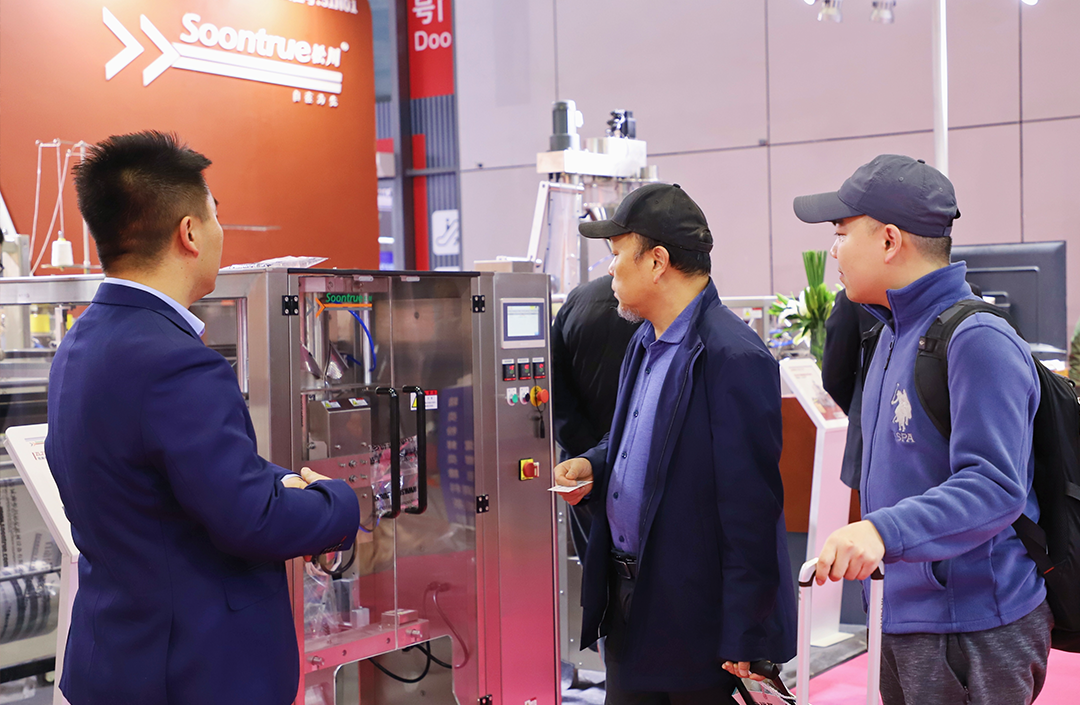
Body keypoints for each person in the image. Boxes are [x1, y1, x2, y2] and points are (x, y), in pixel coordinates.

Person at [45, 132, 360, 705]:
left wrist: (279, 482)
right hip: (193, 672)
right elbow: (252, 521)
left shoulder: (83, 341)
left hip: (117, 657)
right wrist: (336, 503)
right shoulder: (175, 361)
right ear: (189, 232)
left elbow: (179, 482)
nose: (220, 232)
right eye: (216, 216)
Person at [795, 154, 1051, 705]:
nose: (833, 251)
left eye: (841, 233)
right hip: (902, 614)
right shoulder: (891, 332)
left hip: (970, 628)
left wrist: (882, 531)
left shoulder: (977, 339)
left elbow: (995, 485)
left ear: (889, 241)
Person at [553, 182, 797, 704]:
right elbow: (639, 439)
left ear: (657, 261)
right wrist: (595, 465)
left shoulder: (733, 357)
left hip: (695, 622)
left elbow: (751, 509)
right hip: (629, 604)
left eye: (617, 254)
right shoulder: (645, 341)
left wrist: (747, 632)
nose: (610, 270)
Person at [551, 274, 641, 558]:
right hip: (639, 465)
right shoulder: (655, 308)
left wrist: (586, 453)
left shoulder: (578, 299)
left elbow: (553, 387)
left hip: (580, 469)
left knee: (594, 565)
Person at [821, 287, 879, 489]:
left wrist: (860, 410)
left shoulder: (856, 296)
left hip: (869, 438)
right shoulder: (854, 297)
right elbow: (835, 378)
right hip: (870, 440)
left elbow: (834, 377)